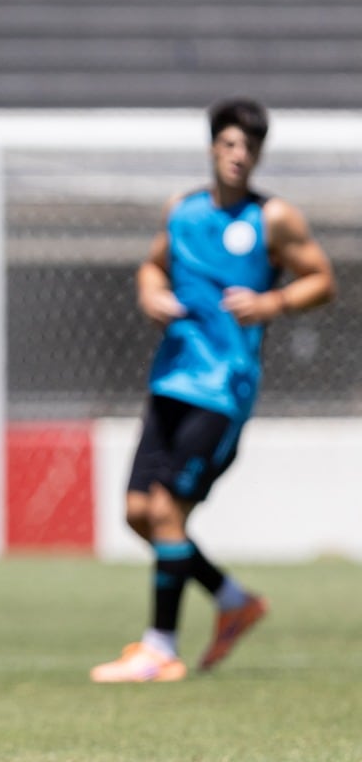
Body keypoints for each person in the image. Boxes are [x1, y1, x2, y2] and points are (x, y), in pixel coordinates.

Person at [91, 98, 335, 683]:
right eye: (229, 144)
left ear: (259, 155)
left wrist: (273, 302)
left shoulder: (273, 218)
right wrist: (150, 293)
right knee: (137, 513)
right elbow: (153, 266)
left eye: (249, 147)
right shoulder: (183, 210)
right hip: (171, 378)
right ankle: (233, 601)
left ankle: (160, 649)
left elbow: (322, 280)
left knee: (165, 511)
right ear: (212, 148)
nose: (238, 156)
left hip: (223, 388)